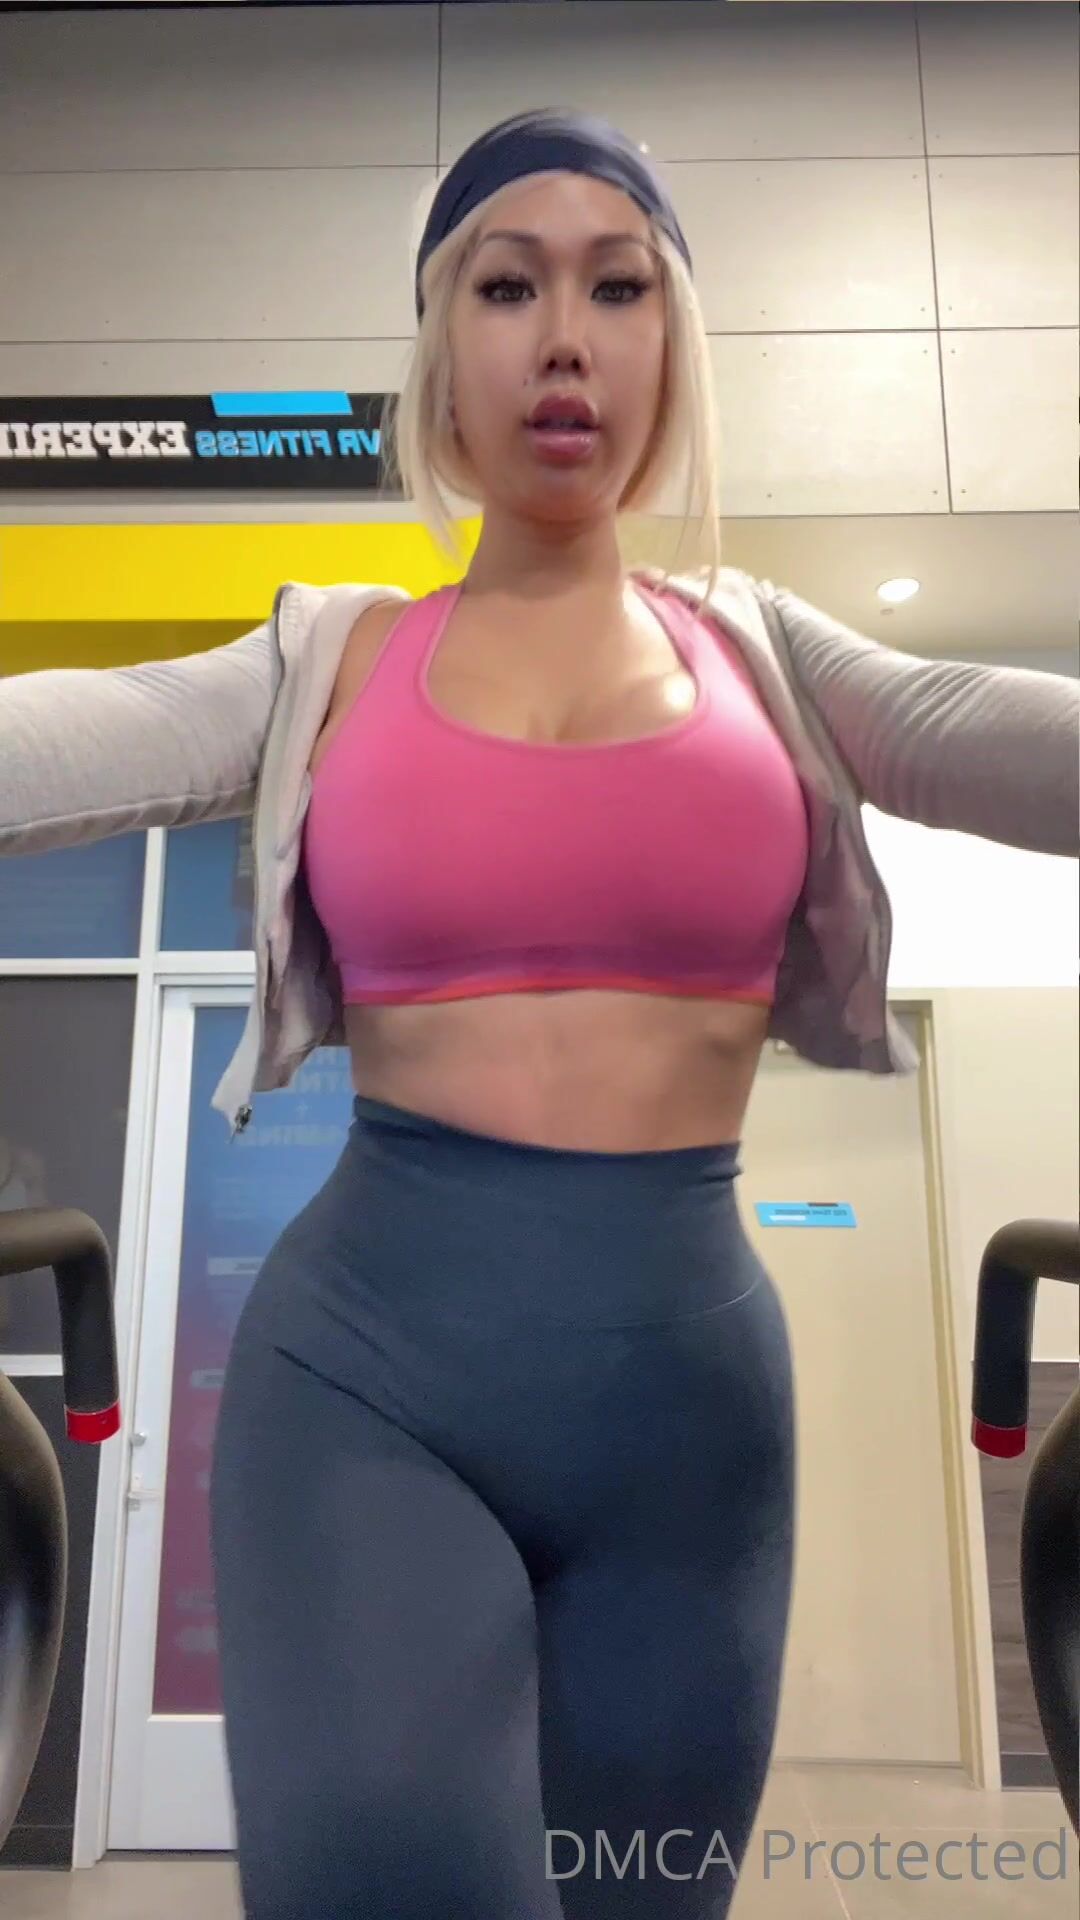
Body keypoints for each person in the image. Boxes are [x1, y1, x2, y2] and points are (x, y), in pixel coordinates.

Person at [1, 108, 1076, 1919]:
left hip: (693, 1423)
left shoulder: (769, 653)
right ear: (443, 354)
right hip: (367, 1387)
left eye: (617, 287)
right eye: (508, 288)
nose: (563, 337)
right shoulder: (333, 655)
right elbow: (63, 743)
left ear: (673, 345)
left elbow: (989, 728)